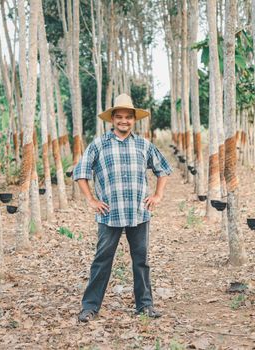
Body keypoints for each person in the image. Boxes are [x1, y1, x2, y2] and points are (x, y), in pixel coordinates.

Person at [73, 93, 172, 322]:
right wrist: (91, 200)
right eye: (119, 117)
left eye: (128, 117)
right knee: (102, 260)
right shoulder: (99, 144)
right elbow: (81, 173)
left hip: (139, 212)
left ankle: (145, 305)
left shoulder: (144, 145)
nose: (124, 121)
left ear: (134, 120)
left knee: (141, 260)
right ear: (112, 120)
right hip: (110, 213)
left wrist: (158, 195)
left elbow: (163, 169)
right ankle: (89, 307)